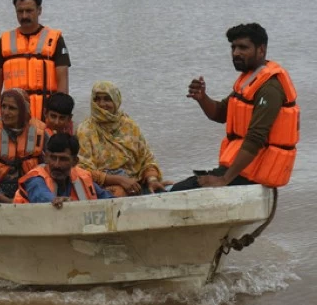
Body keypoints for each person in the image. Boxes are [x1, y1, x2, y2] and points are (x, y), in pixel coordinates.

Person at [169, 23, 299, 192]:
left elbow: (255, 139)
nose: (236, 53)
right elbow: (220, 113)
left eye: (243, 48)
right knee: (180, 187)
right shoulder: (250, 79)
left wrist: (224, 180)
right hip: (241, 171)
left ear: (261, 50)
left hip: (253, 174)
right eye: (233, 47)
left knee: (180, 190)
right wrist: (202, 98)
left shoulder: (269, 88)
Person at [0, 0, 71, 122]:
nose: (24, 16)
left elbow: (62, 81)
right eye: (20, 11)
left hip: (45, 117)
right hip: (13, 118)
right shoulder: (4, 40)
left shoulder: (54, 39)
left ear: (39, 10)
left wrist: (59, 118)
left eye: (29, 11)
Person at [77, 81, 165, 197]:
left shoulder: (129, 126)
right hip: (102, 187)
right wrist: (119, 180)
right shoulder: (85, 130)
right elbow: (84, 171)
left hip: (135, 183)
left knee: (166, 190)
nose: (102, 104)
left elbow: (146, 159)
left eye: (107, 99)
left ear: (116, 100)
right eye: (97, 99)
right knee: (118, 193)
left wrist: (152, 179)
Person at [0, 88, 47, 203]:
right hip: (0, 194)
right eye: (3, 106)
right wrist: (9, 202)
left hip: (32, 189)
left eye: (12, 108)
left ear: (23, 110)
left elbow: (48, 168)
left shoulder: (40, 132)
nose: (5, 112)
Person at [14, 133, 113, 207]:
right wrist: (56, 201)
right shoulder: (36, 178)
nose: (57, 165)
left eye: (63, 159)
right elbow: (41, 196)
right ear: (47, 157)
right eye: (53, 158)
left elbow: (109, 200)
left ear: (74, 161)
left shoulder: (82, 177)